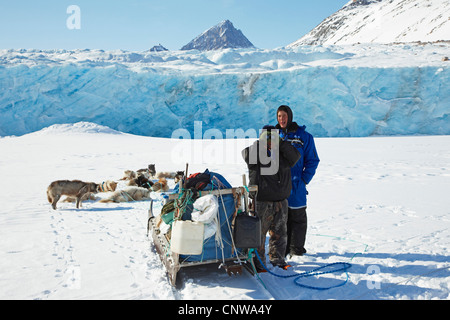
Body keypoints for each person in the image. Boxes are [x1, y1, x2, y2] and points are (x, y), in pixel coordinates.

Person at [242, 125, 301, 271]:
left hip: (281, 200)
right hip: (262, 200)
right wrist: (260, 144)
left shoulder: (282, 152)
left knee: (280, 233)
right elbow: (246, 155)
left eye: (272, 137)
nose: (270, 141)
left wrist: (281, 144)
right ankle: (258, 263)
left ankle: (278, 260)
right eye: (267, 137)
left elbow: (295, 157)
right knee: (259, 235)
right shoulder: (256, 152)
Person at [275, 105, 320, 257]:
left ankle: (297, 249)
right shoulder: (273, 136)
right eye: (279, 116)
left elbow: (312, 160)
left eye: (284, 116)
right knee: (281, 220)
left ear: (290, 116)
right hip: (278, 185)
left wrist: (304, 180)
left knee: (298, 218)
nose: (282, 119)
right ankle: (284, 249)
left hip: (296, 185)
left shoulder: (304, 137)